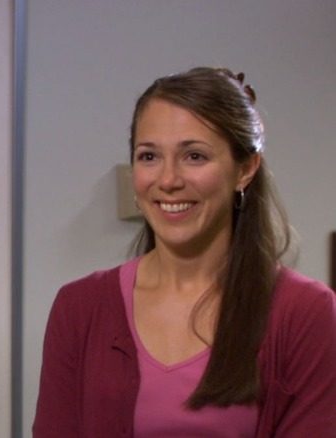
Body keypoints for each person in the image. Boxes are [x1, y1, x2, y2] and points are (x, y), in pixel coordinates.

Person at [33, 67, 336, 437]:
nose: (168, 180)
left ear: (245, 169)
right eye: (149, 156)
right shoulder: (79, 308)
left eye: (194, 156)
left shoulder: (306, 313)